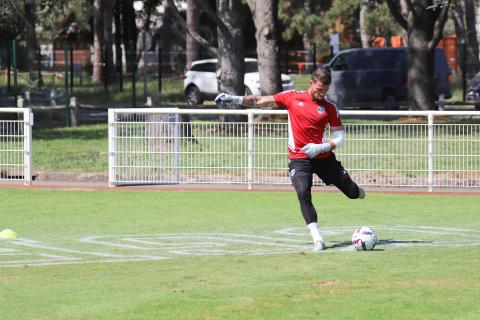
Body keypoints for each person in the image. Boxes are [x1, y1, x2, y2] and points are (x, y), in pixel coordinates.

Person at [215, 67, 365, 251]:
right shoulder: (293, 97)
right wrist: (233, 99)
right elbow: (259, 100)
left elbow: (340, 138)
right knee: (303, 192)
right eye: (319, 90)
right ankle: (317, 238)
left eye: (325, 91)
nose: (321, 94)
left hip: (324, 158)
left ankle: (356, 190)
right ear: (311, 83)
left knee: (352, 193)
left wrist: (321, 146)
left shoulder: (329, 108)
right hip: (299, 158)